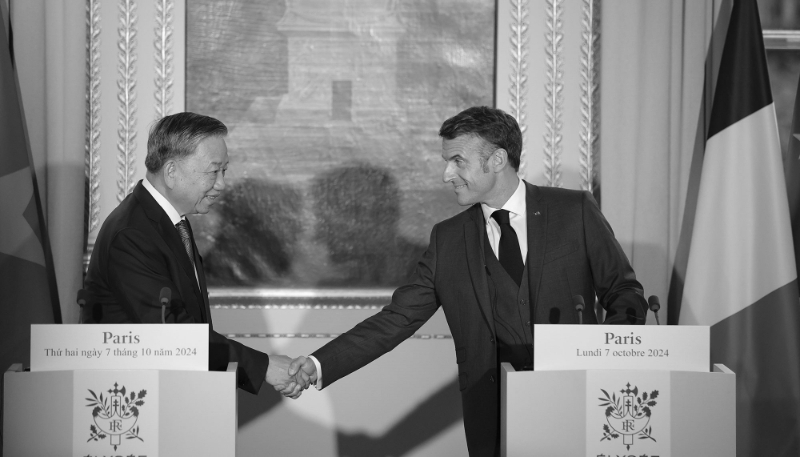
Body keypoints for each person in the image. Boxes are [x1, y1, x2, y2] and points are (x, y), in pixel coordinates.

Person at [289, 106, 648, 456]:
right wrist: (318, 364)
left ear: (496, 160)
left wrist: (606, 358)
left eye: (457, 160)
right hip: (491, 419)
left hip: (579, 405)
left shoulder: (575, 211)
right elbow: (395, 320)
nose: (447, 174)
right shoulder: (448, 240)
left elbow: (624, 292)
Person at [83, 112, 302, 397]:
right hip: (136, 404)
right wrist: (264, 366)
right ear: (172, 172)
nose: (222, 183)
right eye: (214, 171)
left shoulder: (170, 222)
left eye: (224, 170)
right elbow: (172, 334)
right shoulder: (133, 235)